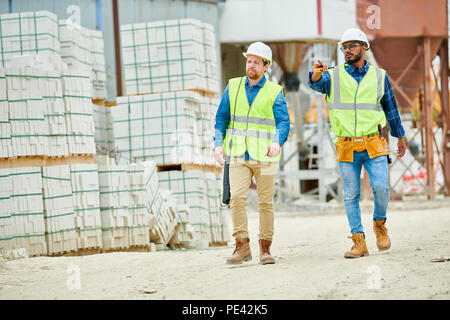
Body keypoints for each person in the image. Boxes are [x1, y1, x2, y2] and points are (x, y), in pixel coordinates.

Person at [308, 28, 407, 258]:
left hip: (374, 142)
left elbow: (391, 109)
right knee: (351, 195)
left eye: (352, 46)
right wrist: (314, 75)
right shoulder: (332, 76)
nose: (347, 50)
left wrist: (400, 137)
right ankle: (358, 241)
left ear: (364, 48)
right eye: (344, 47)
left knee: (381, 188)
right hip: (346, 145)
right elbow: (316, 84)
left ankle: (380, 225)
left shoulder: (380, 76)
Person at [214, 41, 290, 265]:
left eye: (257, 62)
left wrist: (277, 142)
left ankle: (265, 248)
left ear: (266, 66)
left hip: (266, 155)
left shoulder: (274, 92)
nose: (251, 65)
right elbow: (221, 119)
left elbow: (283, 122)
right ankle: (242, 245)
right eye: (249, 61)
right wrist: (219, 144)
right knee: (237, 198)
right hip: (237, 153)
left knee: (265, 202)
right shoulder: (234, 86)